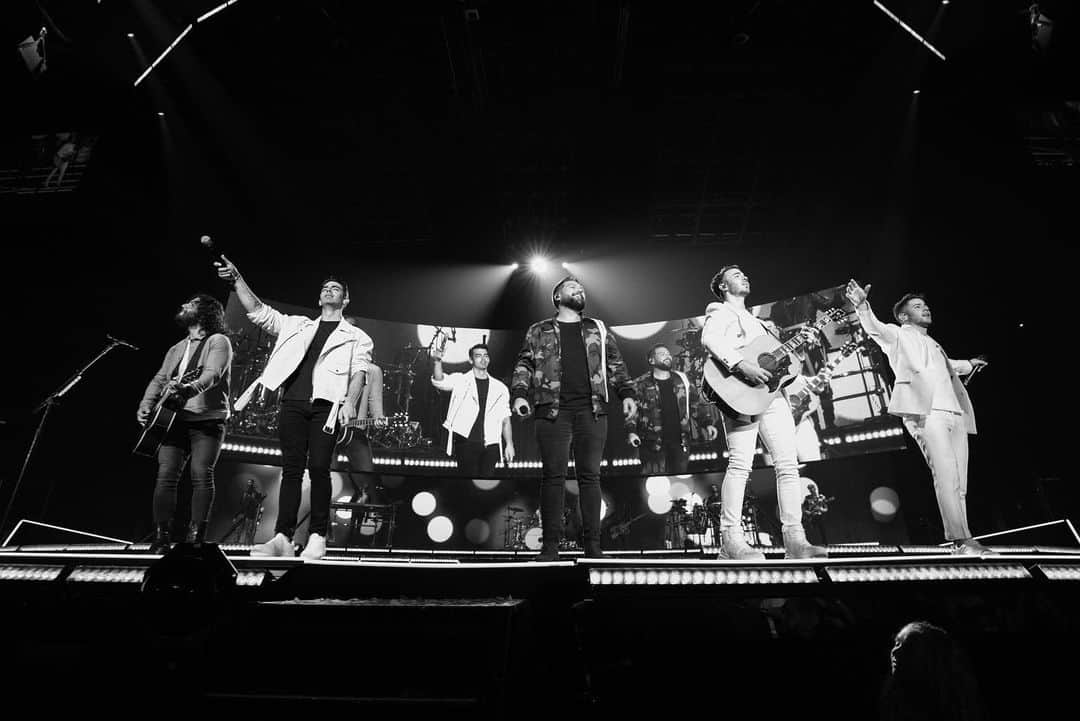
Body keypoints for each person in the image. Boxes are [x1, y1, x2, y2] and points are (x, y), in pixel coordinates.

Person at [216, 255, 372, 560]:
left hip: (327, 408)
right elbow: (260, 313)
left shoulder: (357, 337)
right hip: (293, 403)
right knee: (291, 471)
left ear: (346, 298)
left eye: (336, 288)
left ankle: (317, 537)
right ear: (319, 296)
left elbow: (360, 373)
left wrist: (350, 403)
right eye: (325, 287)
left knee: (319, 469)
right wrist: (237, 280)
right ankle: (282, 537)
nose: (329, 290)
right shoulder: (297, 326)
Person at [845, 280, 992, 555]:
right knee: (946, 476)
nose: (925, 309)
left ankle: (967, 538)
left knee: (960, 482)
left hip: (954, 413)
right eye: (917, 306)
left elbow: (949, 367)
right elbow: (874, 328)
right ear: (903, 316)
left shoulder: (933, 343)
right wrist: (862, 306)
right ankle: (962, 540)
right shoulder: (898, 335)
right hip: (927, 413)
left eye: (925, 305)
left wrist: (970, 364)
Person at [700, 264, 828, 559]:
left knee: (788, 465)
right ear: (722, 287)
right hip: (738, 393)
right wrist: (742, 365)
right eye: (734, 275)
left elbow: (779, 362)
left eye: (744, 273)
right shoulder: (718, 311)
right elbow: (710, 340)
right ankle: (731, 541)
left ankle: (795, 541)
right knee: (741, 464)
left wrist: (799, 344)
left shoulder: (762, 323)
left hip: (772, 395)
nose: (743, 276)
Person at [512, 276, 636, 560]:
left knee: (590, 478)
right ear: (557, 297)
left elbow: (615, 363)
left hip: (591, 411)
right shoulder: (539, 329)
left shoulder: (598, 328)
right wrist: (519, 394)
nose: (578, 289)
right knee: (553, 478)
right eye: (571, 287)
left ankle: (593, 546)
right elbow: (524, 363)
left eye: (580, 288)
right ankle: (550, 547)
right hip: (553, 411)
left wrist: (626, 393)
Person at [137, 294, 232, 551]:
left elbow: (213, 374)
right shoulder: (177, 347)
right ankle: (161, 536)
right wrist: (146, 405)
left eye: (190, 304)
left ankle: (195, 538)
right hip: (173, 420)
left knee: (201, 474)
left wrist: (188, 389)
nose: (183, 306)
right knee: (166, 475)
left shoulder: (218, 341)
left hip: (207, 420)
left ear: (204, 313)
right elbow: (160, 378)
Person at [627, 344, 718, 474]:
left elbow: (695, 404)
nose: (667, 356)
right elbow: (632, 411)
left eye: (668, 354)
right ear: (651, 360)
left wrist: (707, 424)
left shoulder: (682, 379)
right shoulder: (640, 384)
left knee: (679, 481)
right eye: (662, 354)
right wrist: (631, 431)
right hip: (652, 444)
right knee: (656, 485)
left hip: (680, 442)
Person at [431, 341, 515, 477]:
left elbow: (506, 419)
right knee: (467, 482)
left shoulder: (500, 388)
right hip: (466, 442)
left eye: (486, 355)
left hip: (491, 444)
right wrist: (437, 361)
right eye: (478, 356)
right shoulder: (461, 380)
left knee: (486, 481)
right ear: (471, 360)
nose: (483, 359)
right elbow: (440, 381)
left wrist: (509, 444)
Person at [880, 621, 984, 721]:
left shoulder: (954, 704)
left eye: (909, 646)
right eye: (897, 643)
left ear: (933, 657)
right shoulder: (893, 701)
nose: (895, 651)